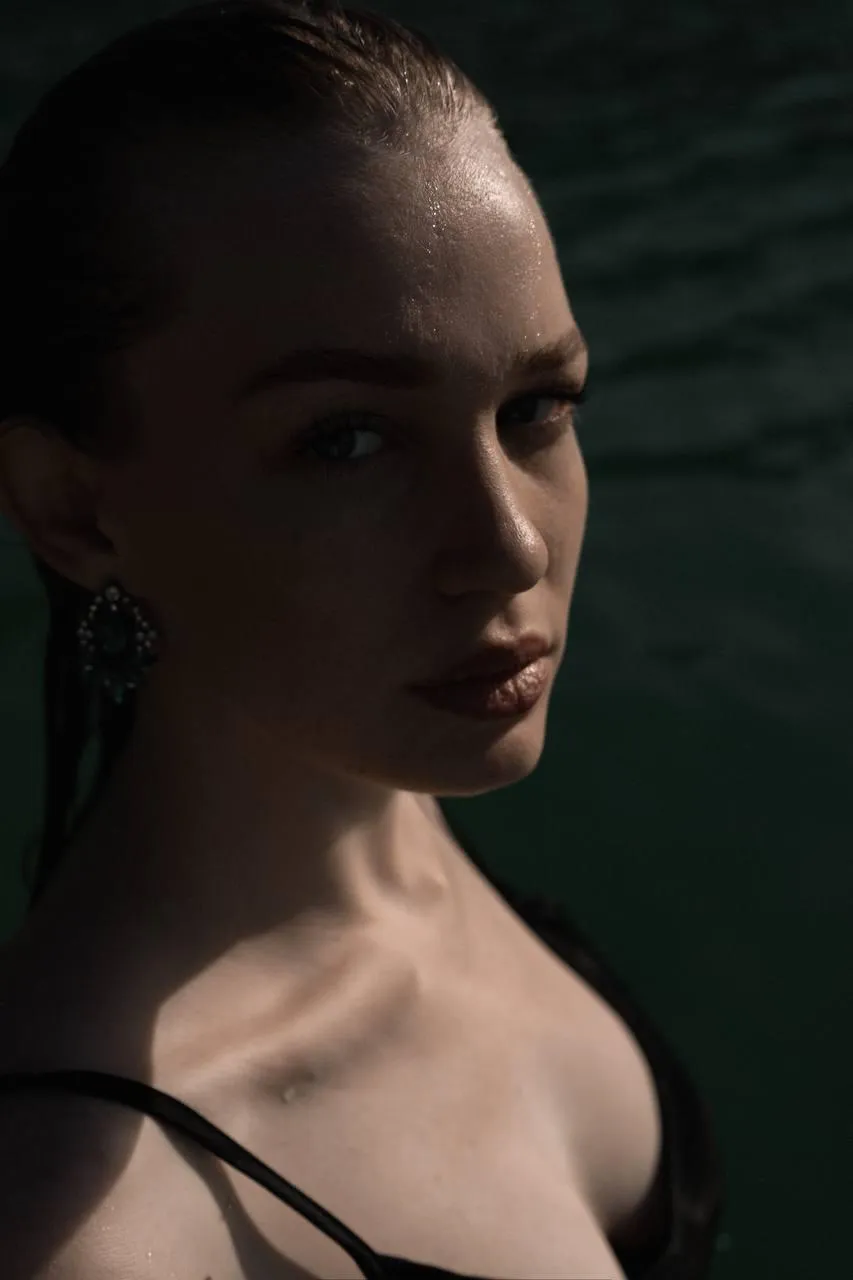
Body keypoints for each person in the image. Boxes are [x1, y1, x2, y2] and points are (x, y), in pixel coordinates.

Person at [0, 3, 723, 1278]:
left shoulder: (407, 828)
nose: (509, 544)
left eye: (536, 407)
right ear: (73, 508)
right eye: (347, 439)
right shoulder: (93, 1221)